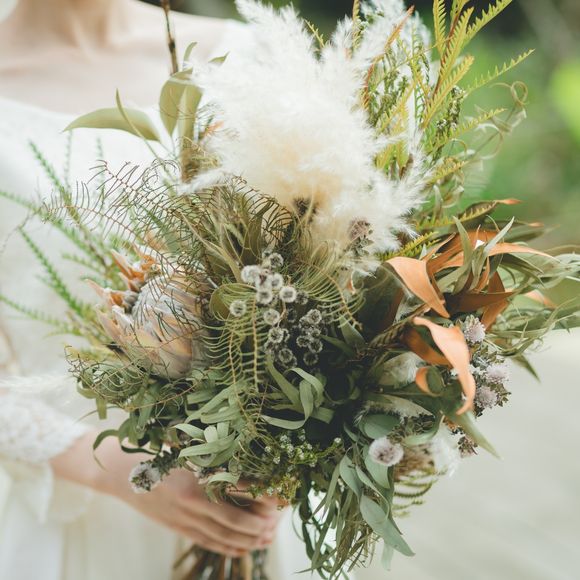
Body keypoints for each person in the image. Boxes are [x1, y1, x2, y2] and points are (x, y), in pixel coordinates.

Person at [0, 1, 287, 579]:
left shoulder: (251, 54)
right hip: (81, 505)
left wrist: (294, 447)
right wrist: (116, 469)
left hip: (250, 500)